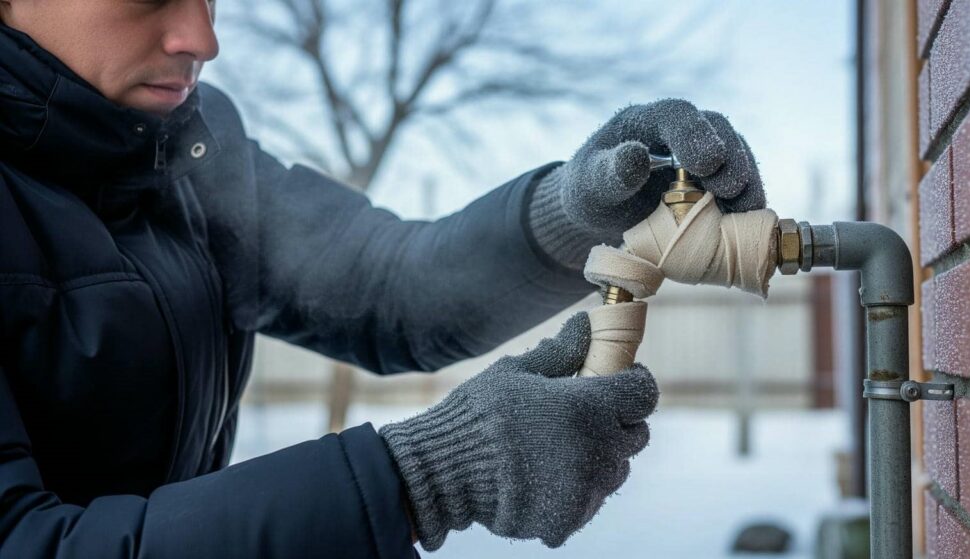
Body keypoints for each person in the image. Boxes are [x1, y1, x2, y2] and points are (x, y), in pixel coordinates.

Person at [0, 1, 765, 557]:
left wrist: (573, 210)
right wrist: (420, 475)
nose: (203, 36)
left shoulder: (187, 152)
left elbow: (388, 286)